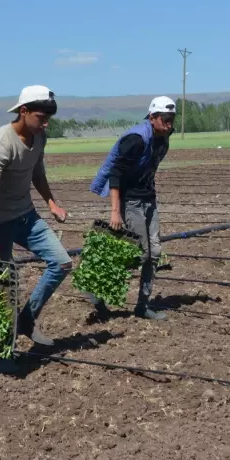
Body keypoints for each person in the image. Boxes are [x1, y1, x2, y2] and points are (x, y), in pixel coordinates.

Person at [0, 85, 72, 349]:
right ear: (24, 111)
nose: (46, 123)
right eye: (41, 117)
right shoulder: (0, 142)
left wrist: (51, 203)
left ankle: (27, 320)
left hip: (26, 216)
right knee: (5, 284)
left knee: (62, 263)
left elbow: (37, 172)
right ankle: (6, 351)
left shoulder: (39, 137)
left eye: (48, 118)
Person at [86, 96, 176, 320]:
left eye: (172, 120)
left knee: (154, 253)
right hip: (130, 200)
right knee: (141, 254)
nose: (169, 125)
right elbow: (115, 174)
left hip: (148, 198)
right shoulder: (135, 139)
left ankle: (142, 306)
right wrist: (115, 211)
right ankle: (97, 285)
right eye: (165, 120)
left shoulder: (163, 136)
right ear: (152, 117)